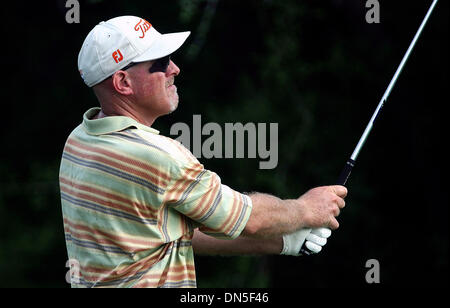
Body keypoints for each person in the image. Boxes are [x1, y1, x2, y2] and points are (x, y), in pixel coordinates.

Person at [60, 15, 347, 288]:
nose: (174, 69)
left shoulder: (80, 141)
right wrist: (306, 209)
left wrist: (285, 241)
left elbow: (175, 231)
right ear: (123, 82)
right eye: (160, 63)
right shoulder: (158, 158)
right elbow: (249, 218)